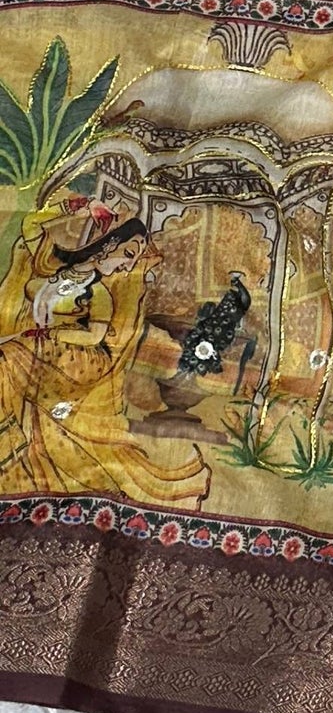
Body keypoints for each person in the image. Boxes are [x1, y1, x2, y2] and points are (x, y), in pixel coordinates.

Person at [0, 207, 210, 507]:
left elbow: (94, 337)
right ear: (110, 245)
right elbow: (30, 223)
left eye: (134, 261)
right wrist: (76, 208)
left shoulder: (96, 293)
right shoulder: (51, 264)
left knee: (7, 360)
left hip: (80, 357)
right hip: (40, 346)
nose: (128, 265)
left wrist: (50, 336)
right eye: (129, 254)